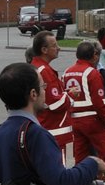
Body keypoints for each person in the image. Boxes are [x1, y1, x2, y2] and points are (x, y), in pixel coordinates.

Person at [63, 41, 105, 185]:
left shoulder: (66, 72)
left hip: (75, 122)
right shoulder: (93, 73)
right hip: (94, 121)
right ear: (94, 56)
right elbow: (99, 102)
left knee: (81, 159)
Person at [29, 32, 73, 160]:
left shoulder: (36, 67)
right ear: (44, 50)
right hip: (53, 131)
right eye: (54, 45)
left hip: (45, 131)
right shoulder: (44, 71)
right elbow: (54, 103)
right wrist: (69, 95)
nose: (59, 48)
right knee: (57, 173)